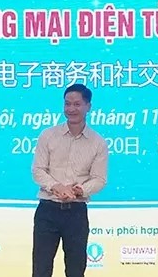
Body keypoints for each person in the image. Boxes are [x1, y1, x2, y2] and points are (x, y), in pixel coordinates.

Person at [31, 84, 109, 277]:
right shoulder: (48, 135)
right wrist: (56, 187)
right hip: (47, 210)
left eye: (77, 104)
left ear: (88, 106)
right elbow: (38, 170)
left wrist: (78, 190)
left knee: (75, 270)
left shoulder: (98, 142)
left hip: (76, 213)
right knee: (41, 269)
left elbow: (99, 179)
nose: (71, 109)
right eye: (67, 104)